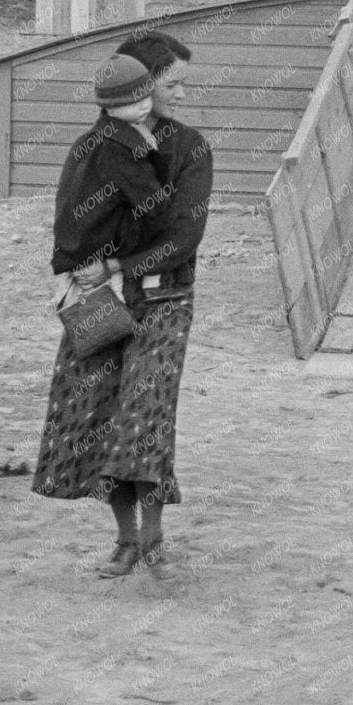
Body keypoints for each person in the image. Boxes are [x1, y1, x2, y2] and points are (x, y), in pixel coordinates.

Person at [34, 35, 214, 577]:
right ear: (143, 83)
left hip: (164, 298)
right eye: (172, 84)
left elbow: (185, 238)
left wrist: (114, 264)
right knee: (97, 412)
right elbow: (70, 221)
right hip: (97, 300)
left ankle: (152, 538)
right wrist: (83, 270)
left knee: (145, 415)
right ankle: (125, 538)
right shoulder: (92, 148)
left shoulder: (190, 148)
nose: (181, 94)